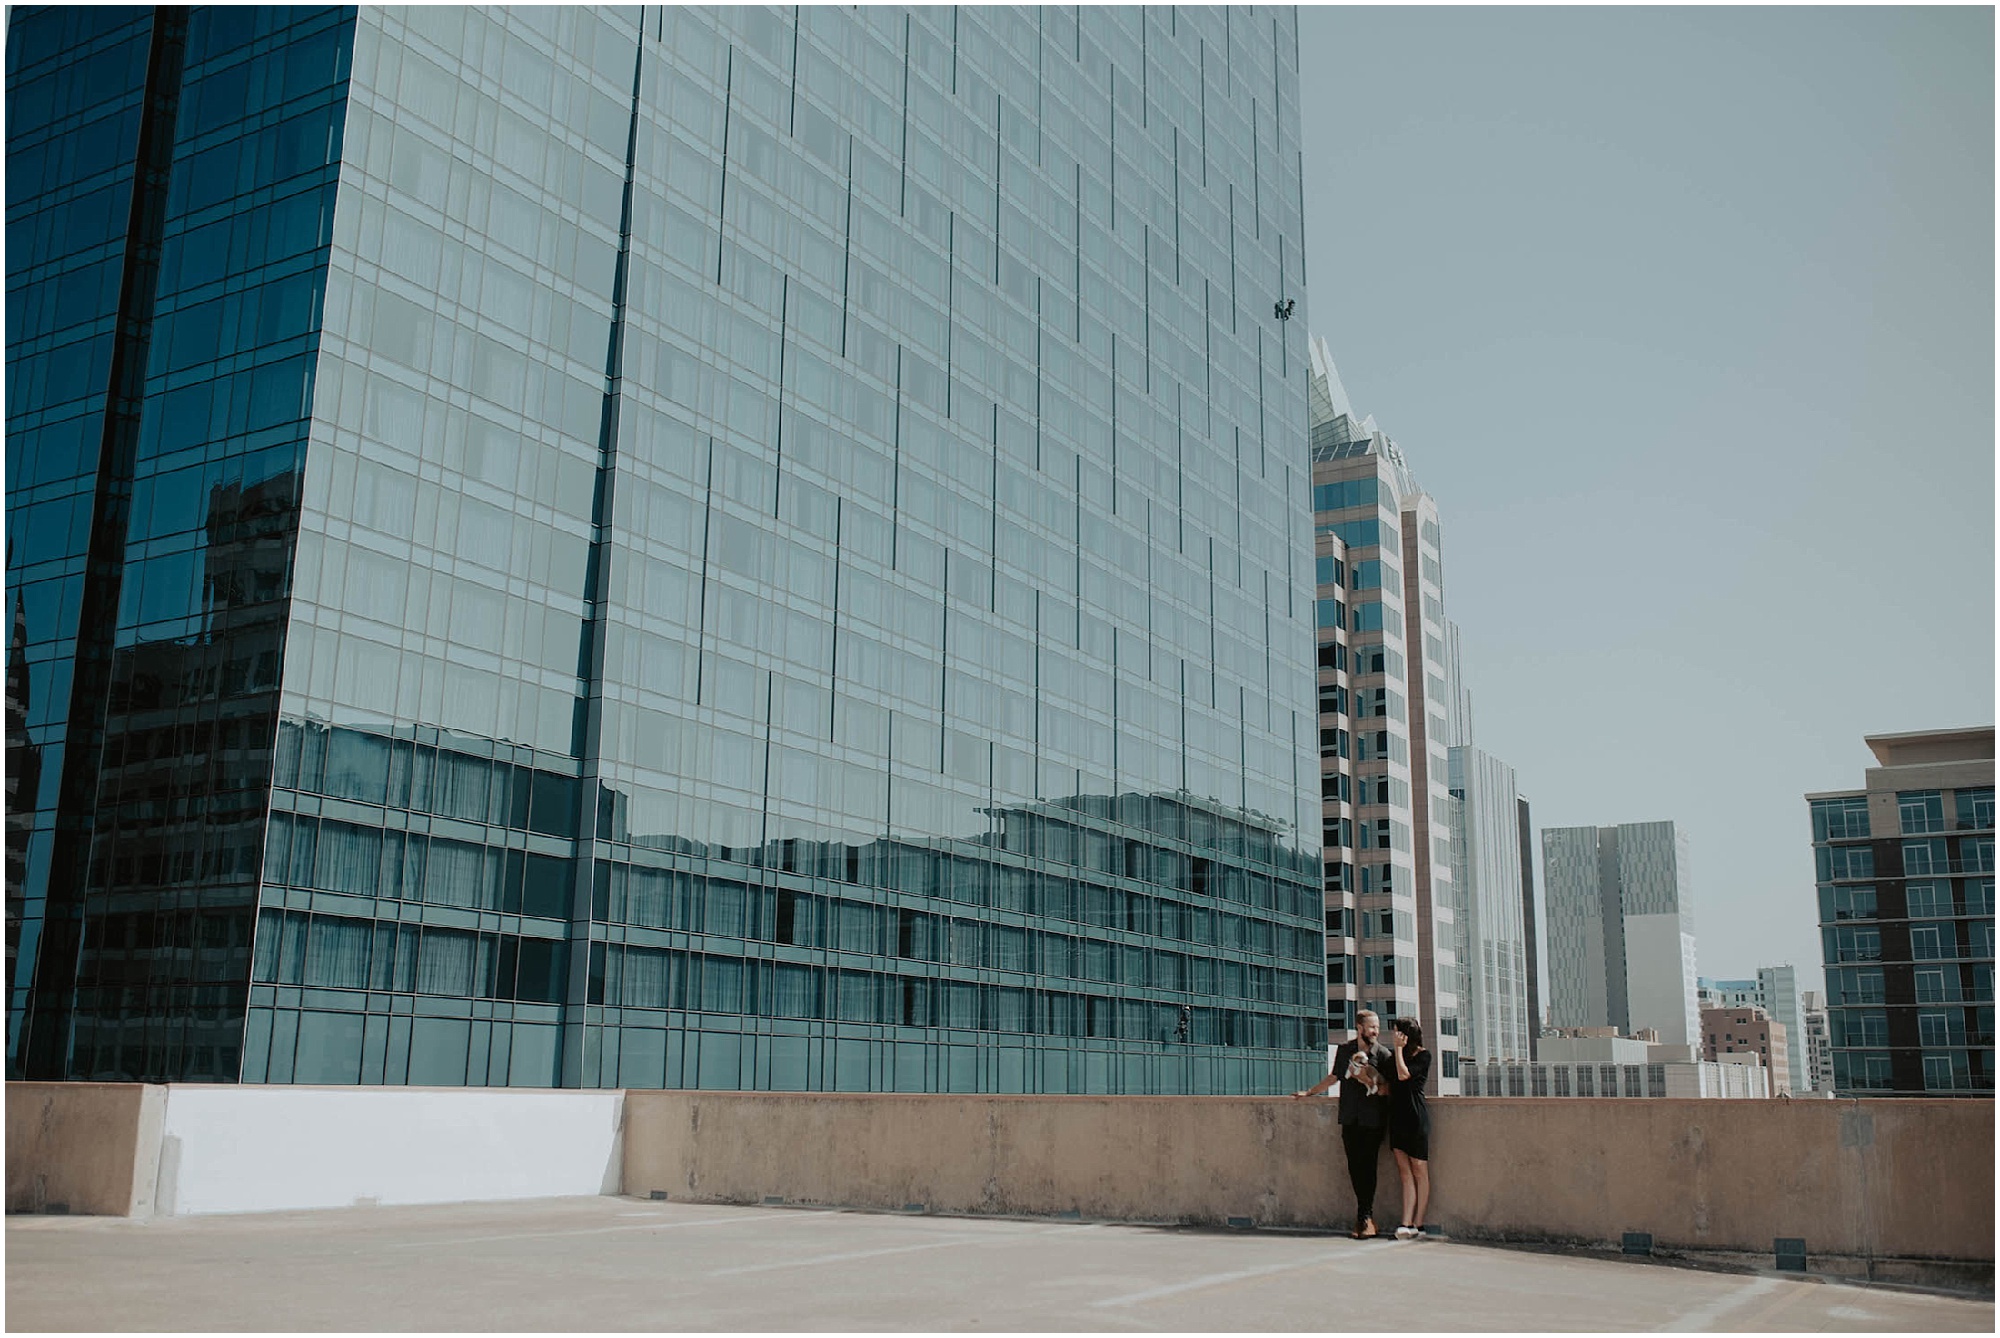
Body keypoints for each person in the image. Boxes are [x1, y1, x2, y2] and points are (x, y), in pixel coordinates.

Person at [1293, 1009, 1392, 1239]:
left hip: (1373, 1119)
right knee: (1354, 1167)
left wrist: (1367, 1077)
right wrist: (1309, 1093)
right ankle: (1363, 1217)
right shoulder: (1345, 1050)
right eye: (1371, 1027)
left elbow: (1387, 1089)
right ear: (1359, 1028)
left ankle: (1365, 1217)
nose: (1376, 1031)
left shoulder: (1383, 1054)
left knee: (1368, 1167)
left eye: (1377, 1027)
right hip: (1350, 1117)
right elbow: (1334, 1077)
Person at [1387, 1016, 1432, 1240]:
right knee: (1404, 1171)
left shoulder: (1424, 1055)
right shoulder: (1394, 1056)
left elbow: (1404, 1075)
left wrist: (1397, 1051)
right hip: (1397, 1116)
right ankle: (1405, 1222)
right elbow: (1386, 1079)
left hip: (1415, 1115)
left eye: (1397, 1032)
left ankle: (1419, 1223)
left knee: (1419, 1168)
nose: (1393, 1036)